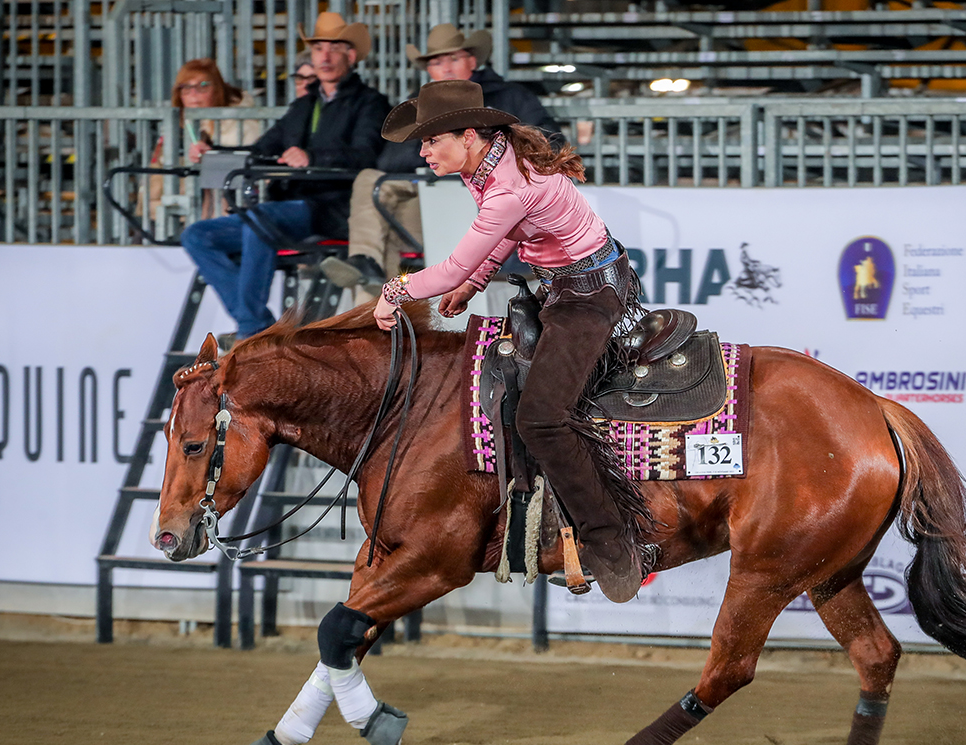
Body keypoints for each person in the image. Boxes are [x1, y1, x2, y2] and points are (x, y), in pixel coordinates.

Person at [372, 80, 646, 604]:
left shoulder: (506, 185)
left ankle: (611, 540)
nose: (424, 151)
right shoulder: (494, 168)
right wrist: (474, 283)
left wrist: (396, 291)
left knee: (541, 417)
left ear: (468, 136)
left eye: (431, 141)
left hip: (587, 296)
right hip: (568, 285)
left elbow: (457, 259)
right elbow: (503, 236)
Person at [179, 13, 390, 345]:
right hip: (285, 210)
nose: (325, 55)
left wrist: (313, 158)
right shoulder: (303, 105)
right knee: (196, 235)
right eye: (319, 47)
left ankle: (251, 329)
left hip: (332, 208)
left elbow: (368, 155)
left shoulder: (371, 103)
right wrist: (213, 152)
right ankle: (257, 322)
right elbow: (261, 149)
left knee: (258, 219)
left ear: (350, 56)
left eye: (334, 47)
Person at [322, 23, 562, 290]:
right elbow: (389, 161)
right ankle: (369, 274)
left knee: (385, 222)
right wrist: (447, 154)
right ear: (429, 70)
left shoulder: (510, 97)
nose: (446, 68)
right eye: (437, 62)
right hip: (433, 197)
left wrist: (487, 160)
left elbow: (549, 144)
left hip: (488, 202)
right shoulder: (420, 106)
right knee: (374, 184)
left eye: (454, 59)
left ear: (472, 61)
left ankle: (376, 294)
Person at [148, 58, 259, 221]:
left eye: (203, 87)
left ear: (218, 90)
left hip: (231, 213)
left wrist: (212, 158)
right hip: (175, 214)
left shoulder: (241, 123)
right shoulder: (177, 126)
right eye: (186, 87)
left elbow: (242, 171)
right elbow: (156, 181)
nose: (193, 95)